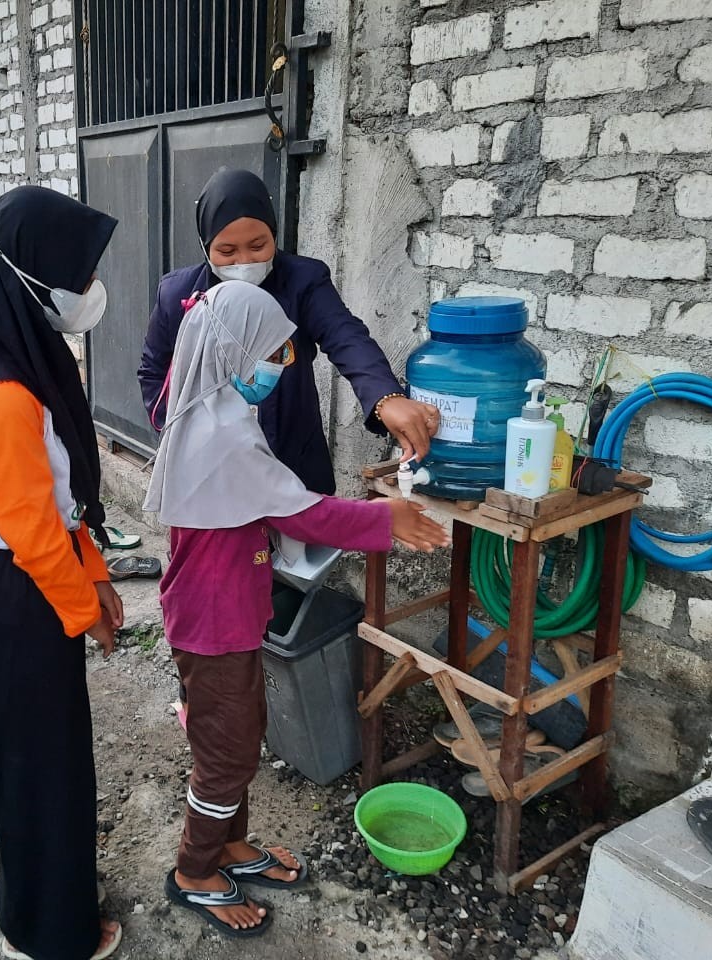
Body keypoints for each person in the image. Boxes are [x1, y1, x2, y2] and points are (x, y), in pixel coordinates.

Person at [144, 282, 450, 937]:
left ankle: (229, 844)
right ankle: (195, 871)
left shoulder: (213, 411)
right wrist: (385, 517)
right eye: (272, 351)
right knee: (227, 752)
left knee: (238, 736)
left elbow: (268, 508)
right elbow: (301, 513)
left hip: (225, 613)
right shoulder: (220, 435)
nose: (281, 363)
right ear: (232, 351)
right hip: (212, 623)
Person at [0, 185, 123, 960]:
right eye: (80, 272)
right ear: (34, 278)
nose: (91, 287)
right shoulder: (1, 394)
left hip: (35, 579)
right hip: (21, 590)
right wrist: (85, 609)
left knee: (50, 755)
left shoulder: (18, 357)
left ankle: (47, 904)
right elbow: (33, 533)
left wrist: (96, 576)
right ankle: (45, 933)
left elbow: (60, 506)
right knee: (40, 764)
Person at [138, 167, 441, 493]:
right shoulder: (178, 294)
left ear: (274, 234)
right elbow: (153, 371)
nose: (244, 261)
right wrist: (183, 433)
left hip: (291, 462)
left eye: (258, 246)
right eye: (227, 251)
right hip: (210, 471)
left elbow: (346, 336)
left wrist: (386, 397)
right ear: (205, 245)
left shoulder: (303, 281)